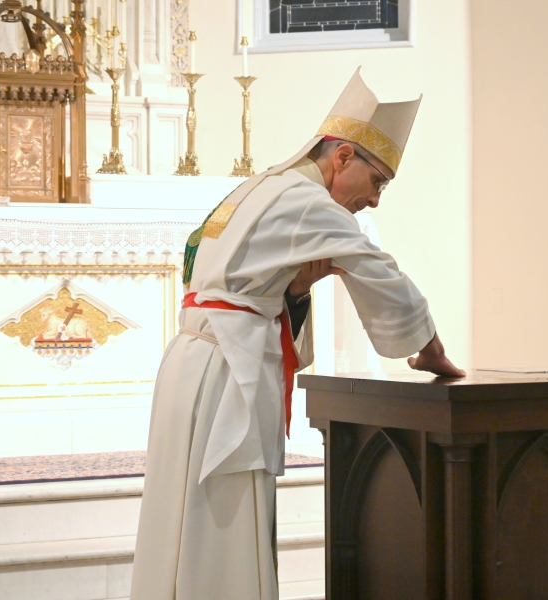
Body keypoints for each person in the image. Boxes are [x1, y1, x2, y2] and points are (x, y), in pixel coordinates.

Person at [130, 69, 465, 600]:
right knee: (222, 530)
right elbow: (381, 271)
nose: (375, 200)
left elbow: (224, 281)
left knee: (178, 524)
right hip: (225, 380)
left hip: (190, 366)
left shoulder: (263, 185)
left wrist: (293, 295)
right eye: (378, 181)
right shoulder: (311, 203)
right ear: (343, 157)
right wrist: (430, 348)